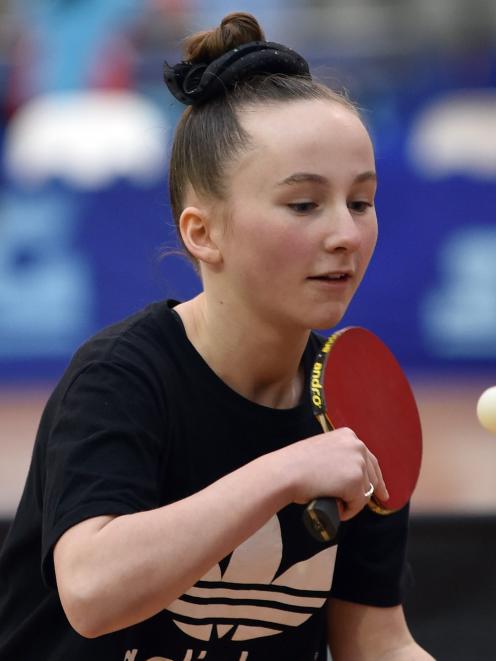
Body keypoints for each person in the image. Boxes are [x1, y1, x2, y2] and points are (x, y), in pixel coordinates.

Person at [0, 12, 434, 661]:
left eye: (362, 201)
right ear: (202, 232)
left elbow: (375, 640)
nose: (344, 232)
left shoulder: (357, 403)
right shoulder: (122, 376)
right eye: (304, 204)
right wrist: (283, 473)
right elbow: (90, 592)